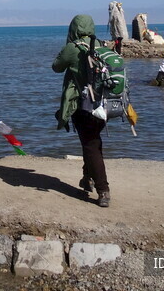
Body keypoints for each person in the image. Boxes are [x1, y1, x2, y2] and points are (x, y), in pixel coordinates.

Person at [53, 14, 110, 208]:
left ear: (74, 28)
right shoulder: (101, 45)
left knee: (91, 145)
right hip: (106, 106)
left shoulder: (73, 48)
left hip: (84, 105)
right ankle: (87, 179)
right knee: (92, 142)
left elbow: (56, 67)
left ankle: (103, 191)